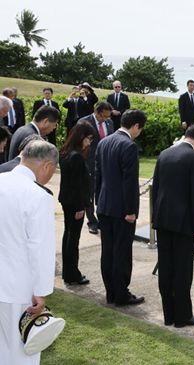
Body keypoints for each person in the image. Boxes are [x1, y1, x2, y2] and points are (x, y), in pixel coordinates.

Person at [0, 140, 58, 365]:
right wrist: (42, 291)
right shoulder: (38, 196)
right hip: (18, 286)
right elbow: (41, 248)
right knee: (23, 349)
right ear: (46, 166)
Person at [152, 122, 194, 328]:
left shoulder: (165, 154)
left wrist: (154, 219)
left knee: (166, 268)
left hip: (163, 220)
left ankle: (169, 315)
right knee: (183, 271)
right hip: (184, 223)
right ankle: (183, 316)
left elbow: (155, 189)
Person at [95, 109, 147, 306]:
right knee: (122, 252)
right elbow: (129, 182)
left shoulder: (104, 141)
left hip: (105, 205)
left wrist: (98, 201)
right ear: (135, 126)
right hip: (121, 210)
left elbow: (98, 176)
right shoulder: (128, 145)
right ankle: (121, 294)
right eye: (140, 129)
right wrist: (131, 211)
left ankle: (111, 292)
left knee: (107, 250)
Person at [59, 121, 97, 285]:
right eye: (88, 139)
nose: (89, 143)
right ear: (81, 137)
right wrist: (80, 207)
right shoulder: (76, 157)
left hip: (67, 200)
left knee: (68, 236)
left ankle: (68, 272)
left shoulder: (66, 153)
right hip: (75, 203)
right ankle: (72, 273)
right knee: (73, 239)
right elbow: (77, 185)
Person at [78, 101, 114, 234]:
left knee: (102, 190)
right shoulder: (84, 122)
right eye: (103, 116)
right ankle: (92, 221)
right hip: (89, 162)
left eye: (107, 117)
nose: (105, 119)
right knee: (89, 192)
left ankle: (103, 218)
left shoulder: (110, 123)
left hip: (106, 162)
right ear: (96, 112)